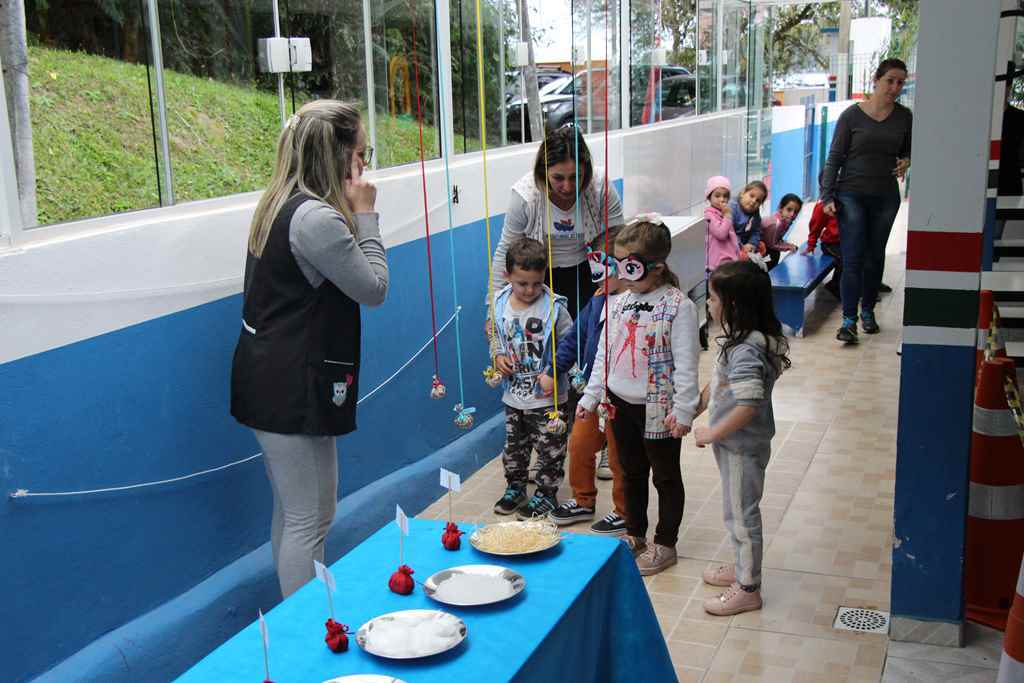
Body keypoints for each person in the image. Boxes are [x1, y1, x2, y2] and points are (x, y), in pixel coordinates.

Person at [230, 101, 389, 598]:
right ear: (339, 156)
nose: (365, 164)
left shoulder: (279, 200)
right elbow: (374, 288)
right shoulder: (316, 220)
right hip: (290, 384)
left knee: (296, 511)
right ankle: (305, 633)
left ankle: (295, 620)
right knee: (309, 519)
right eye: (362, 152)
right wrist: (366, 216)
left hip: (268, 376)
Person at [579, 215, 700, 576]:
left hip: (658, 408)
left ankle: (665, 543)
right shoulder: (618, 303)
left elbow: (687, 366)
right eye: (617, 266)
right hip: (619, 404)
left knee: (664, 476)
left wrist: (684, 410)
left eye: (629, 267)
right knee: (629, 472)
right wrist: (590, 397)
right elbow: (604, 353)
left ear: (657, 267)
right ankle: (635, 533)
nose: (621, 276)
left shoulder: (678, 306)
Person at [694, 260, 790, 616]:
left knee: (741, 515)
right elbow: (720, 387)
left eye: (714, 298)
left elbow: (748, 405)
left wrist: (711, 432)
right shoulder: (742, 342)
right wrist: (694, 411)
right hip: (736, 443)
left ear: (733, 305)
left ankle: (748, 587)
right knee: (735, 510)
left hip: (740, 445)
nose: (708, 304)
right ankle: (741, 566)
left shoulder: (747, 351)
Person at [542, 225, 629, 534]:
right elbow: (574, 337)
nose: (598, 278)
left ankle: (624, 510)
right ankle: (583, 500)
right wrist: (554, 369)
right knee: (579, 446)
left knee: (620, 458)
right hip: (592, 393)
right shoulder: (597, 299)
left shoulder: (633, 304)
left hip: (622, 397)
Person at [820, 58, 912, 343]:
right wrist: (827, 195)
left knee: (875, 256)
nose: (894, 88)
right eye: (890, 81)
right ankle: (848, 321)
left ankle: (868, 311)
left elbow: (909, 150)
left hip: (885, 197)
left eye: (900, 82)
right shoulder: (852, 116)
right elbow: (834, 157)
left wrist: (906, 162)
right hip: (851, 194)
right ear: (876, 80)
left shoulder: (905, 117)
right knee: (853, 256)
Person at [490, 125, 625, 317]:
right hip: (541, 280)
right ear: (543, 173)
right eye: (558, 178)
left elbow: (619, 240)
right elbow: (505, 250)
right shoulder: (525, 196)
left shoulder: (600, 185)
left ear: (586, 171)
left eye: (575, 177)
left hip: (589, 273)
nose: (567, 187)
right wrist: (492, 312)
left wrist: (627, 293)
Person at [489, 238, 573, 519]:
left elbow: (569, 344)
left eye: (536, 283)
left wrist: (554, 372)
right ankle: (515, 487)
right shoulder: (500, 303)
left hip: (548, 399)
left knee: (550, 449)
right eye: (522, 283)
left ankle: (546, 493)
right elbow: (495, 335)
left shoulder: (554, 307)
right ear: (508, 276)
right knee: (514, 447)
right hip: (514, 395)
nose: (529, 290)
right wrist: (499, 356)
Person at [805, 198, 842, 299]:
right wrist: (811, 245)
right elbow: (815, 227)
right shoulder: (823, 204)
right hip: (830, 243)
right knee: (845, 259)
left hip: (846, 242)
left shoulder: (850, 200)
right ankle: (834, 285)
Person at [705, 175, 740, 272]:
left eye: (725, 196)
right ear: (709, 197)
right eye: (717, 195)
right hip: (718, 262)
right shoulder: (709, 215)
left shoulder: (723, 212)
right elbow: (721, 234)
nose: (722, 199)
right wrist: (727, 216)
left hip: (729, 259)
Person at [760, 193, 802, 269]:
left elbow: (778, 239)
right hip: (762, 249)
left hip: (767, 246)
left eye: (796, 212)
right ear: (781, 208)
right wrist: (789, 247)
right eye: (789, 209)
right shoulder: (775, 224)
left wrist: (789, 245)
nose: (792, 214)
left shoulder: (786, 221)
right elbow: (772, 244)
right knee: (774, 255)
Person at [730, 181, 768, 255]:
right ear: (743, 193)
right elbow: (729, 231)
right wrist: (741, 246)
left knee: (762, 247)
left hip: (745, 244)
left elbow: (756, 231)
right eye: (751, 196)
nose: (754, 201)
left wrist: (752, 243)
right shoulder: (732, 207)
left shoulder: (755, 212)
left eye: (758, 201)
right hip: (731, 243)